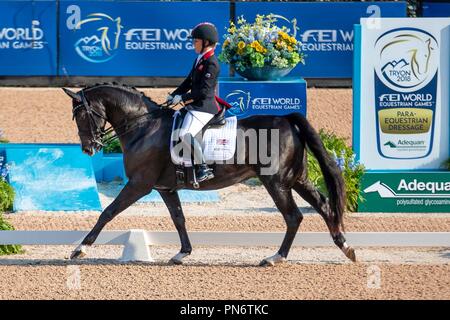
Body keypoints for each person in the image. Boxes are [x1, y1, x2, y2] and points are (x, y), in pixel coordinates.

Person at [166, 22, 221, 183]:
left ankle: (203, 167)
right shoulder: (200, 59)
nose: (193, 44)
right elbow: (189, 82)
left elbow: (203, 91)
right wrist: (174, 94)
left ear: (206, 42)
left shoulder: (212, 63)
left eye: (196, 41)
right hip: (195, 105)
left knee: (184, 134)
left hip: (204, 107)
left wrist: (182, 99)